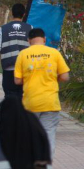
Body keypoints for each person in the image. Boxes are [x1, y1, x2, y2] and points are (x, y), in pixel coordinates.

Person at [14, 28, 70, 156]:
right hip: (50, 102)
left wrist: (30, 78)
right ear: (44, 39)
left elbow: (17, 80)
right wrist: (53, 78)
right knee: (49, 134)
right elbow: (65, 76)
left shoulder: (23, 54)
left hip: (30, 103)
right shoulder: (54, 53)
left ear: (29, 40)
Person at [0, 3, 32, 97]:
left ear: (12, 13)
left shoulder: (3, 29)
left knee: (10, 97)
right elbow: (34, 47)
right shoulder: (29, 28)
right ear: (23, 14)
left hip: (9, 69)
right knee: (23, 97)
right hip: (25, 69)